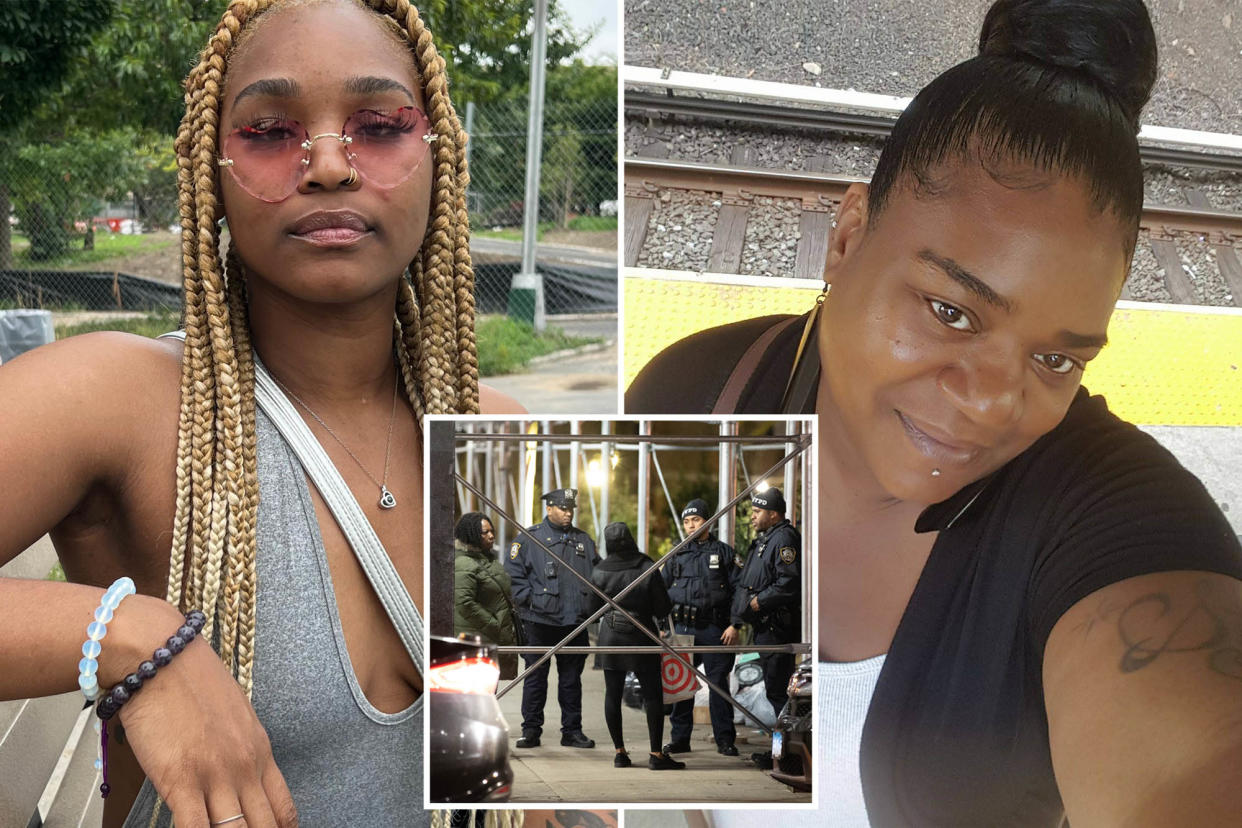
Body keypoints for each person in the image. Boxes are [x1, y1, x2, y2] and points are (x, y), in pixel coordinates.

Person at [631, 0, 1242, 824]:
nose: (993, 404)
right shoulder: (698, 394)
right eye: (950, 311)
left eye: (1054, 358)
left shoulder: (1118, 518)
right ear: (846, 240)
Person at [0, 1, 525, 826]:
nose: (325, 165)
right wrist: (133, 639)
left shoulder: (482, 425)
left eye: (380, 125)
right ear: (210, 172)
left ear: (439, 160)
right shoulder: (114, 396)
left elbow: (471, 721)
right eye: (271, 132)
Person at [504, 488, 599, 749]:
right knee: (535, 679)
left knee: (571, 681)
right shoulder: (527, 540)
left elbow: (598, 576)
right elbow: (512, 577)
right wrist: (531, 601)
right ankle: (531, 731)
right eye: (563, 508)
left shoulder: (584, 541)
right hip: (539, 622)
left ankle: (572, 731)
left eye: (571, 509)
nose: (568, 513)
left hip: (574, 623)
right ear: (549, 509)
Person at [589, 522, 684, 770]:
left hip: (610, 636)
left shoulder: (599, 570)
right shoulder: (645, 566)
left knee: (612, 693)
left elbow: (589, 610)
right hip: (642, 634)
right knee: (653, 694)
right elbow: (662, 607)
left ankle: (620, 753)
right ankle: (656, 754)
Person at [724, 488, 801, 767]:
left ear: (774, 514)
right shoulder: (766, 539)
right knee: (775, 692)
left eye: (757, 512)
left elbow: (788, 583)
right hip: (766, 627)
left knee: (779, 694)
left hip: (776, 627)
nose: (752, 516)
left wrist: (757, 604)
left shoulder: (784, 539)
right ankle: (779, 752)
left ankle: (787, 754)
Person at [661, 498, 740, 756]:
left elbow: (740, 590)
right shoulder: (676, 554)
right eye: (686, 522)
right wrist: (663, 625)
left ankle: (725, 739)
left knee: (717, 684)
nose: (691, 526)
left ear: (708, 521)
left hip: (715, 629)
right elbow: (661, 592)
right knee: (682, 686)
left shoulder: (725, 553)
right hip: (683, 628)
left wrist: (735, 624)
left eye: (695, 520)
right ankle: (680, 739)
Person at [453, 512, 520, 679]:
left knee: (487, 695)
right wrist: (494, 624)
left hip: (488, 639)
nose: (491, 536)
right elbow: (463, 602)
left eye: (492, 531)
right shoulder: (464, 563)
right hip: (476, 642)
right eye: (485, 532)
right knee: (476, 697)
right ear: (471, 534)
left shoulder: (486, 560)